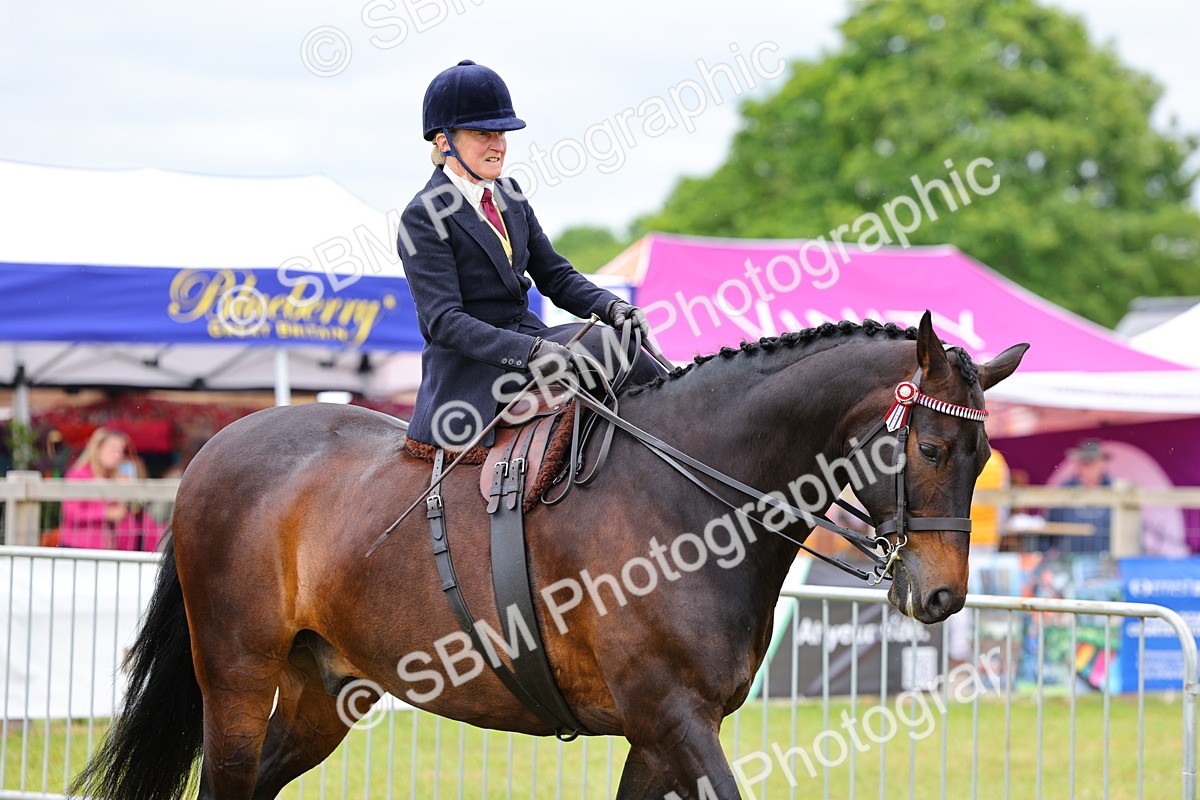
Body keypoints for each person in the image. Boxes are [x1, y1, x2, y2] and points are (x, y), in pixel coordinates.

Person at [399, 60, 662, 449]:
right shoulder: (421, 216)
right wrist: (530, 351)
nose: (499, 144)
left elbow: (554, 275)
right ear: (443, 142)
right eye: (482, 133)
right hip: (472, 370)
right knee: (598, 346)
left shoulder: (510, 194)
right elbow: (445, 322)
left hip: (533, 339)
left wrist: (612, 307)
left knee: (622, 342)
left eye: (502, 133)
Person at [59, 427, 164, 551]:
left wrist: (128, 495)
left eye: (121, 451)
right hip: (77, 547)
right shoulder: (78, 475)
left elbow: (127, 514)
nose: (118, 455)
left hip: (107, 548)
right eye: (113, 449)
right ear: (97, 449)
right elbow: (71, 513)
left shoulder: (114, 478)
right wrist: (107, 513)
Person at [1043, 440, 1112, 554]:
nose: (1090, 468)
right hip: (1070, 560)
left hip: (1108, 561)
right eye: (1085, 463)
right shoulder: (1064, 490)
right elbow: (1050, 526)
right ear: (1078, 464)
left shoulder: (1115, 490)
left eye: (1093, 462)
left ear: (1103, 464)